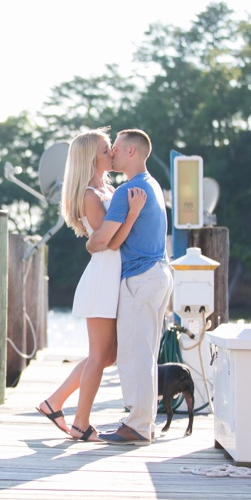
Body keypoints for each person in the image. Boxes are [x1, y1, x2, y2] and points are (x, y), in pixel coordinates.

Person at [36, 128, 145, 441]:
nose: (111, 153)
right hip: (102, 278)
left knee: (107, 356)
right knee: (99, 356)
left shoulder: (106, 188)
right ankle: (80, 424)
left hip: (112, 276)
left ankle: (54, 402)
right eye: (105, 150)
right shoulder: (89, 194)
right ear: (90, 157)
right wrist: (134, 214)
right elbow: (107, 242)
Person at [85, 128, 173, 446]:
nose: (113, 154)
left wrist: (90, 244)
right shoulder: (153, 185)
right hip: (160, 273)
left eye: (117, 149)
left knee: (134, 354)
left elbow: (105, 240)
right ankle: (143, 423)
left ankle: (136, 425)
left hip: (140, 277)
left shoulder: (127, 191)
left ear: (131, 152)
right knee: (145, 352)